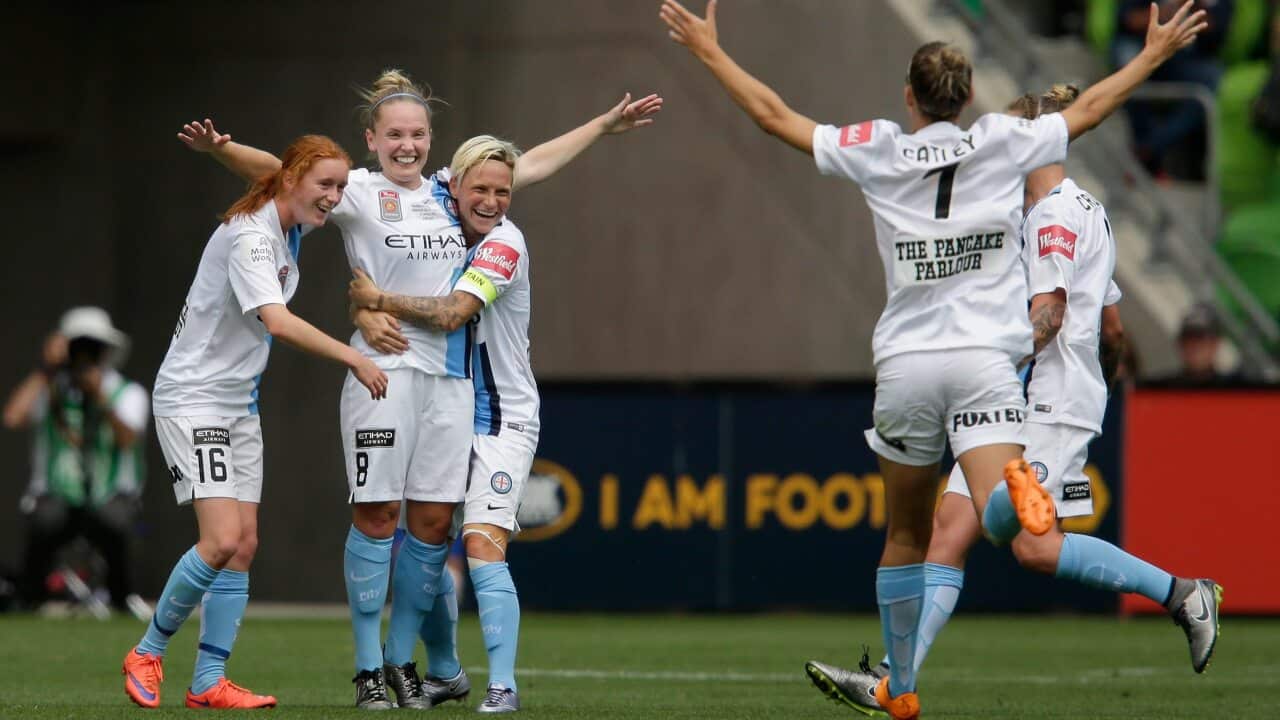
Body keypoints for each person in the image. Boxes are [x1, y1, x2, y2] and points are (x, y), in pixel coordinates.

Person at [659, 2, 1208, 717]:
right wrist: (1155, 54)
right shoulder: (1004, 140)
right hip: (987, 362)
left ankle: (901, 688)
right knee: (992, 516)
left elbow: (773, 114)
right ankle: (1008, 504)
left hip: (909, 364)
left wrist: (708, 50)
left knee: (908, 533)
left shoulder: (878, 147)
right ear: (968, 94)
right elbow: (1094, 107)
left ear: (910, 97)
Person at [178, 70, 661, 709]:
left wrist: (602, 126)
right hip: (384, 376)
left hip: (454, 383)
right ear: (372, 140)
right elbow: (282, 173)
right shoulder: (357, 191)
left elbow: (529, 165)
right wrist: (221, 151)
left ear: (432, 140)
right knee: (377, 518)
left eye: (419, 134)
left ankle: (404, 663)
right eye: (395, 135)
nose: (407, 146)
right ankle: (367, 666)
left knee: (432, 526)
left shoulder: (450, 191)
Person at [802, 86, 1221, 716]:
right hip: (1026, 400)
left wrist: (987, 352)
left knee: (1031, 544)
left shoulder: (1049, 214)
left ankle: (1183, 593)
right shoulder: (1087, 208)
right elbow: (1111, 324)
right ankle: (895, 681)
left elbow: (1048, 315)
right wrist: (1103, 369)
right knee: (947, 533)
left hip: (1044, 401)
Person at [121, 135, 388, 710]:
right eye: (326, 185)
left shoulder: (287, 219)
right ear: (290, 180)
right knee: (218, 541)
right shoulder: (251, 237)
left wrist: (225, 147)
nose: (335, 198)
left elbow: (273, 167)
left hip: (238, 403)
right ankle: (147, 649)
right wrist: (355, 355)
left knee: (243, 546)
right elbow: (277, 320)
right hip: (194, 401)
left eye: (342, 187)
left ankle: (207, 681)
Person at [349, 135, 534, 713]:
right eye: (480, 189)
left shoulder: (504, 244)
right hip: (449, 402)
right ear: (453, 188)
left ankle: (502, 684)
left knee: (481, 545)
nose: (492, 201)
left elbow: (453, 314)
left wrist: (375, 299)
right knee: (428, 537)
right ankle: (446, 671)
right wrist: (361, 310)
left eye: (503, 192)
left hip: (501, 417)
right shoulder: (439, 212)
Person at [3, 308, 149, 617]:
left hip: (110, 497)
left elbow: (127, 439)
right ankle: (29, 596)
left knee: (116, 519)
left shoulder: (127, 392)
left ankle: (121, 596)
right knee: (44, 517)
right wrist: (46, 369)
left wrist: (99, 395)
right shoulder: (50, 390)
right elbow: (13, 417)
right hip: (57, 497)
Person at [1112, 0, 1234, 178]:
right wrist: (1164, 12)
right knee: (1129, 70)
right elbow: (1129, 20)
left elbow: (1216, 28)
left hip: (1181, 56)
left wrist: (1192, 6)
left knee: (1213, 79)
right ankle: (1147, 157)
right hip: (1141, 46)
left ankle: (1149, 148)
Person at [1147, 301, 1246, 385]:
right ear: (1179, 344)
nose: (1194, 346)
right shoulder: (1157, 391)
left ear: (1215, 344)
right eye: (1188, 338)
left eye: (1201, 339)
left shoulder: (1235, 392)